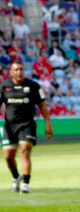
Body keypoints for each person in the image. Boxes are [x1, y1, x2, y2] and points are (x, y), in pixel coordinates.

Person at [0, 60, 53, 193]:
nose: (19, 72)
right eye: (16, 70)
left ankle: (26, 183)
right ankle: (16, 177)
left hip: (27, 124)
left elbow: (42, 105)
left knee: (24, 150)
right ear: (11, 72)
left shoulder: (33, 86)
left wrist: (48, 124)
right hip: (9, 126)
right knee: (8, 156)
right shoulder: (4, 86)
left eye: (21, 69)